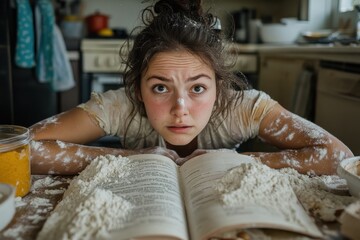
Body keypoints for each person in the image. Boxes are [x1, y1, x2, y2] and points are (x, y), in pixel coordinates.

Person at [29, 0, 353, 176]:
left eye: (197, 89)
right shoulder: (120, 105)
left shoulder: (245, 107)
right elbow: (22, 148)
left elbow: (337, 155)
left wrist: (229, 162)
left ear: (220, 87)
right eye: (159, 88)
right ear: (137, 89)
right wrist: (130, 159)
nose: (180, 108)